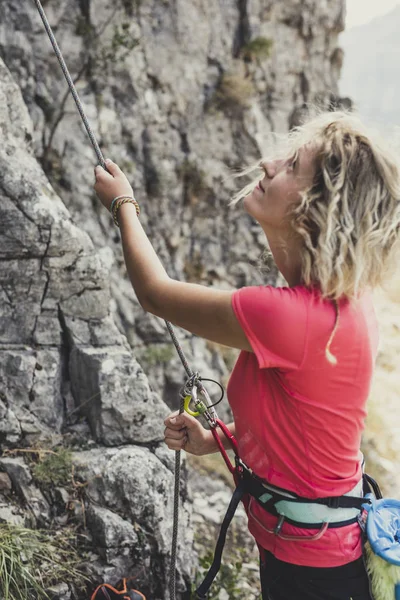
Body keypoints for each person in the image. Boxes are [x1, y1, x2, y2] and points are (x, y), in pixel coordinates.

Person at [94, 111, 400, 600]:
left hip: (311, 568)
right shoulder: (344, 303)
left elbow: (155, 294)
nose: (268, 163)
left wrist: (123, 204)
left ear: (318, 206)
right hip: (318, 553)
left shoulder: (290, 318)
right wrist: (215, 440)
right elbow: (306, 435)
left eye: (293, 165)